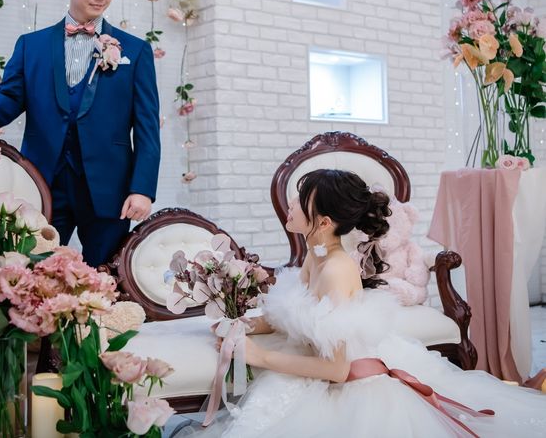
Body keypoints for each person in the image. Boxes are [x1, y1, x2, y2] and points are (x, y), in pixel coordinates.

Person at [178, 169, 545, 437]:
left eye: (300, 199)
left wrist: (261, 357)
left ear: (323, 222)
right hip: (322, 359)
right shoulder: (316, 254)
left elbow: (338, 370)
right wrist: (245, 326)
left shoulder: (337, 271)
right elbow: (298, 314)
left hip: (350, 382)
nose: (291, 204)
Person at [0, 0, 160, 267]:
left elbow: (147, 127)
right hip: (43, 181)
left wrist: (142, 189)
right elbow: (10, 96)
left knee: (105, 276)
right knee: (35, 271)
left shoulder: (135, 51)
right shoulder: (31, 46)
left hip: (109, 188)